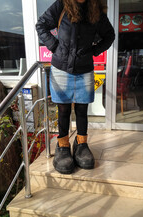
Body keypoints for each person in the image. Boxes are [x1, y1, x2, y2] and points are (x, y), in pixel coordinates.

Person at [36, 0, 115, 174]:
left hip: (84, 68)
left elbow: (109, 35)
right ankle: (62, 145)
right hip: (61, 68)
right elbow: (41, 25)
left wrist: (95, 51)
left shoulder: (95, 9)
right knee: (63, 109)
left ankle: (81, 144)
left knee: (81, 109)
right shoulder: (62, 5)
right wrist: (55, 46)